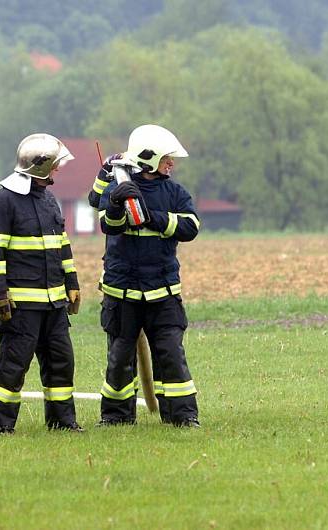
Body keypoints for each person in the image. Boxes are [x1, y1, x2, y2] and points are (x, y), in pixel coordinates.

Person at [97, 124, 201, 427]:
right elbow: (108, 224)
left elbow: (190, 226)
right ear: (149, 158)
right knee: (119, 359)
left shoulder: (175, 192)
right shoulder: (117, 187)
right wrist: (117, 202)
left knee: (170, 355)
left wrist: (152, 216)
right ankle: (115, 418)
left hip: (163, 292)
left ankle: (182, 417)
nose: (172, 164)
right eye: (167, 158)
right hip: (122, 292)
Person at [0, 133, 83, 434]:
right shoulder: (4, 201)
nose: (58, 170)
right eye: (54, 165)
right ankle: (2, 425)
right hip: (22, 305)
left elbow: (61, 245)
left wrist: (72, 282)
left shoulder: (49, 199)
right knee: (13, 366)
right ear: (40, 167)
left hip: (54, 304)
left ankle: (62, 422)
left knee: (62, 363)